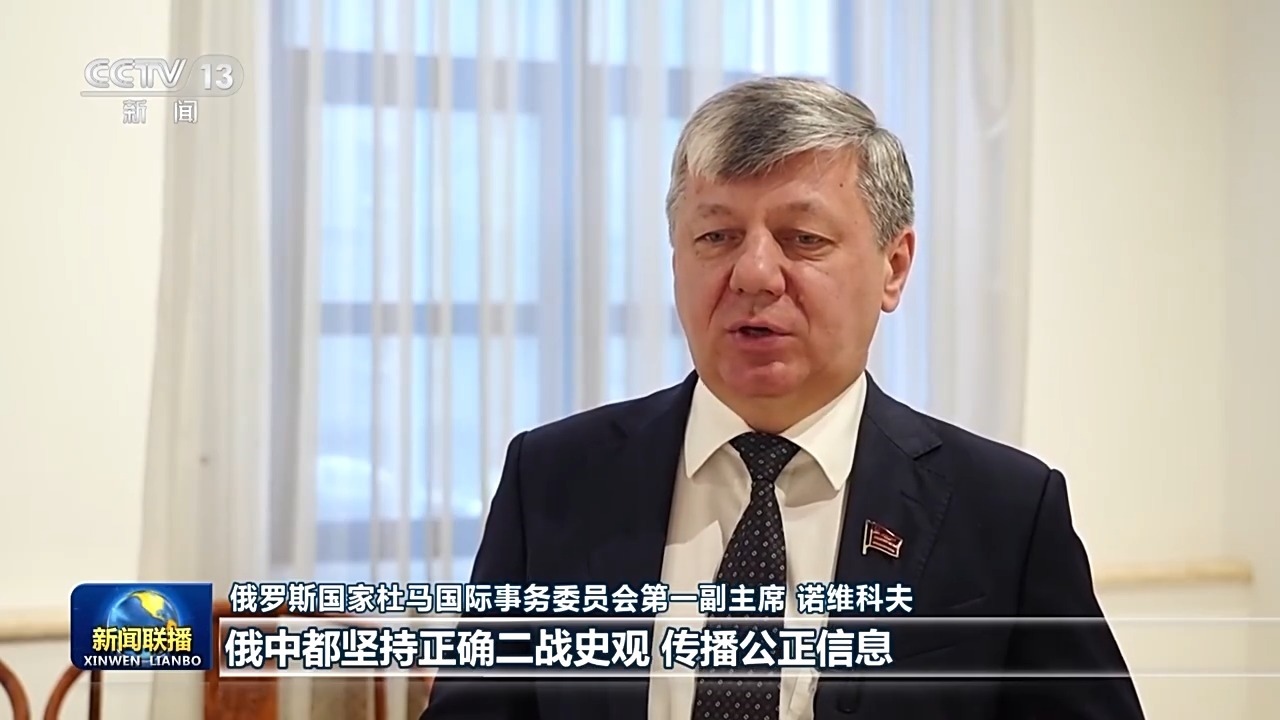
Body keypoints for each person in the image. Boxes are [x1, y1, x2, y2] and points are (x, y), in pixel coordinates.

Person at [423, 76, 1144, 720]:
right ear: (676, 260)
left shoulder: (1004, 510)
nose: (755, 274)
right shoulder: (555, 479)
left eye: (802, 238)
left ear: (894, 267)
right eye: (717, 235)